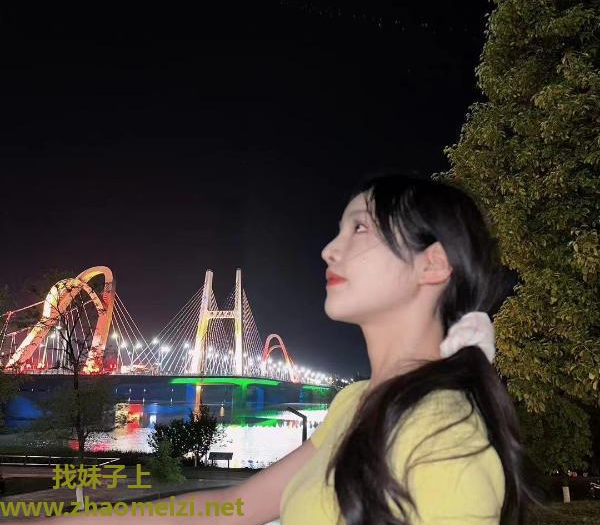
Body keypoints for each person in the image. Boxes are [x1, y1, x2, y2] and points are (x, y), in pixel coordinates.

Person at [40, 172, 548, 525]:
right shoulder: (357, 403)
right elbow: (233, 508)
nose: (329, 249)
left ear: (431, 265)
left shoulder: (445, 440)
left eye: (360, 228)